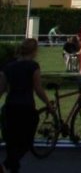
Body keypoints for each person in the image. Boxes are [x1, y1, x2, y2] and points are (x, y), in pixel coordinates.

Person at [0, 38, 50, 172]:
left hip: (10, 107)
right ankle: (6, 165)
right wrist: (48, 103)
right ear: (34, 51)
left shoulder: (8, 67)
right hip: (26, 107)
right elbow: (38, 89)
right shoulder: (33, 66)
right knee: (26, 141)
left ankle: (10, 167)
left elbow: (1, 89)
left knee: (11, 142)